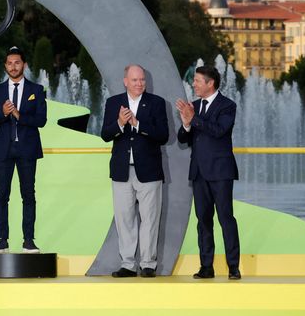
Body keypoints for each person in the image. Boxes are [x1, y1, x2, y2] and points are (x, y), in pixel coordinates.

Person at [100, 64, 169, 277]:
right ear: (125, 81)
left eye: (142, 80)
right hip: (121, 171)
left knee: (150, 219)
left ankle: (148, 264)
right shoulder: (113, 103)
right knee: (124, 219)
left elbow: (163, 135)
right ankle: (128, 264)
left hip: (149, 171)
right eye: (135, 80)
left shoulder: (157, 103)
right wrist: (120, 123)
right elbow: (105, 134)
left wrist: (138, 124)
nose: (139, 84)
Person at [176, 65, 241, 280]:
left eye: (196, 80)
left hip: (221, 172)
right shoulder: (193, 106)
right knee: (203, 220)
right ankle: (206, 267)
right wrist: (186, 124)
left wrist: (193, 119)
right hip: (199, 173)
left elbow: (219, 131)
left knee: (225, 218)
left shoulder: (227, 106)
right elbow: (183, 139)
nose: (193, 84)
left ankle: (233, 267)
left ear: (210, 83)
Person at [0, 47, 47, 253]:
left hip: (27, 150)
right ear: (5, 66)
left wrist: (20, 115)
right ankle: (2, 239)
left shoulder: (36, 90)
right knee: (1, 195)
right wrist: (3, 113)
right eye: (10, 63)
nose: (13, 66)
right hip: (3, 150)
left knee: (28, 195)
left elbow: (42, 120)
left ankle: (28, 240)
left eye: (17, 63)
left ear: (24, 65)